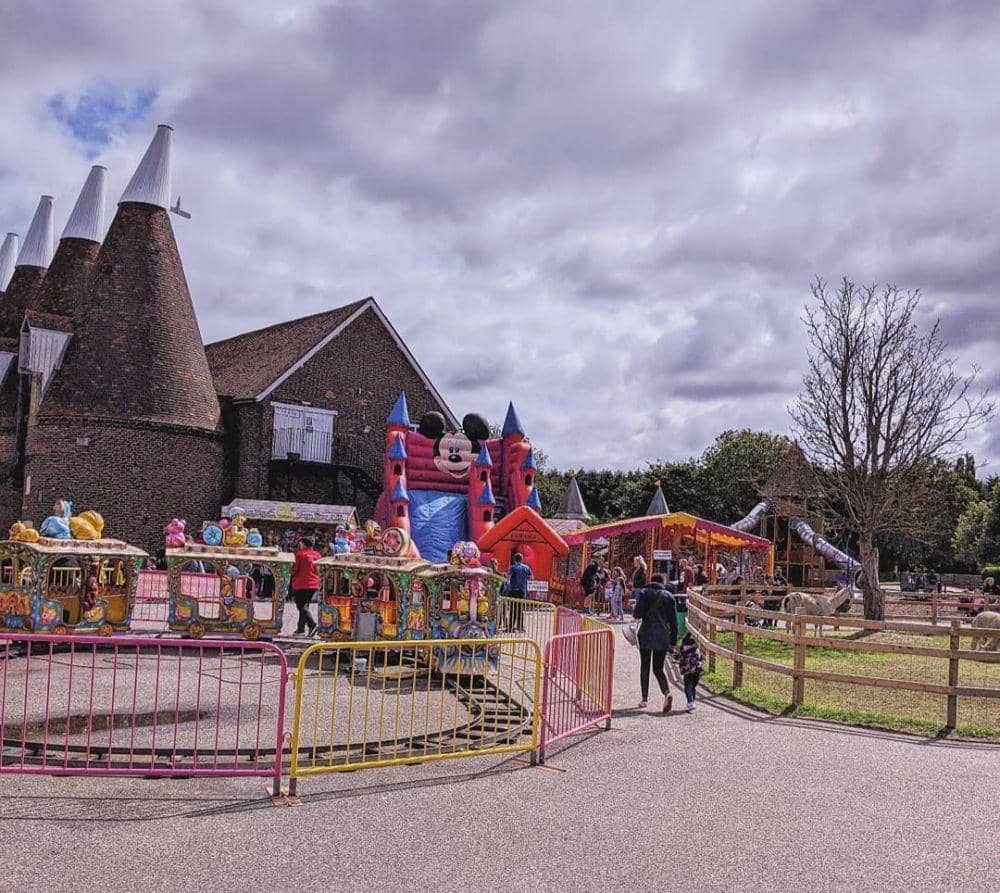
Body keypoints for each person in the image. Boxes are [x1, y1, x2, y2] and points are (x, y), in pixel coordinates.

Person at [632, 573, 678, 712]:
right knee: (658, 668)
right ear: (662, 583)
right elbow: (674, 622)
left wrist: (636, 608)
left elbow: (637, 614)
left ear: (651, 581)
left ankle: (644, 699)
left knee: (645, 666)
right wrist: (673, 642)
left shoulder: (644, 593)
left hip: (646, 633)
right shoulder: (669, 596)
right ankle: (667, 693)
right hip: (662, 635)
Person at [290, 537, 320, 635]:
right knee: (305, 606)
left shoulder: (300, 554)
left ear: (303, 544)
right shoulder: (317, 555)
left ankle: (312, 624)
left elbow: (295, 570)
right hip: (314, 584)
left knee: (301, 605)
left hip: (301, 584)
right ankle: (300, 628)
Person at [504, 552, 532, 631]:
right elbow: (531, 577)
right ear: (522, 559)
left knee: (513, 609)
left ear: (514, 559)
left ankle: (510, 627)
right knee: (520, 609)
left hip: (514, 590)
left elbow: (508, 577)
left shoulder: (512, 567)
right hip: (522, 591)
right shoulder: (527, 567)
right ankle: (520, 627)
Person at [677, 631, 703, 712]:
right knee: (693, 687)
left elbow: (677, 656)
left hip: (688, 672)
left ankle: (690, 702)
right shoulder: (697, 651)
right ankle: (692, 702)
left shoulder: (683, 652)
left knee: (687, 688)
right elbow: (701, 659)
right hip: (697, 672)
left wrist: (669, 649)